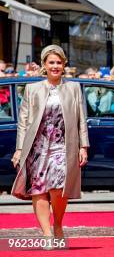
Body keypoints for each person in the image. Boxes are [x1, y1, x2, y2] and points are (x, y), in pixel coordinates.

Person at [11, 45, 89, 246]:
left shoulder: (73, 88)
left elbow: (81, 118)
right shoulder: (32, 89)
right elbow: (24, 121)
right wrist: (19, 149)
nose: (55, 66)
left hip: (63, 146)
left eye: (58, 62)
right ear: (45, 65)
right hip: (37, 147)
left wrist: (83, 146)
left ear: (64, 65)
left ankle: (58, 225)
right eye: (51, 62)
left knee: (58, 188)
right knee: (38, 189)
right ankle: (47, 234)